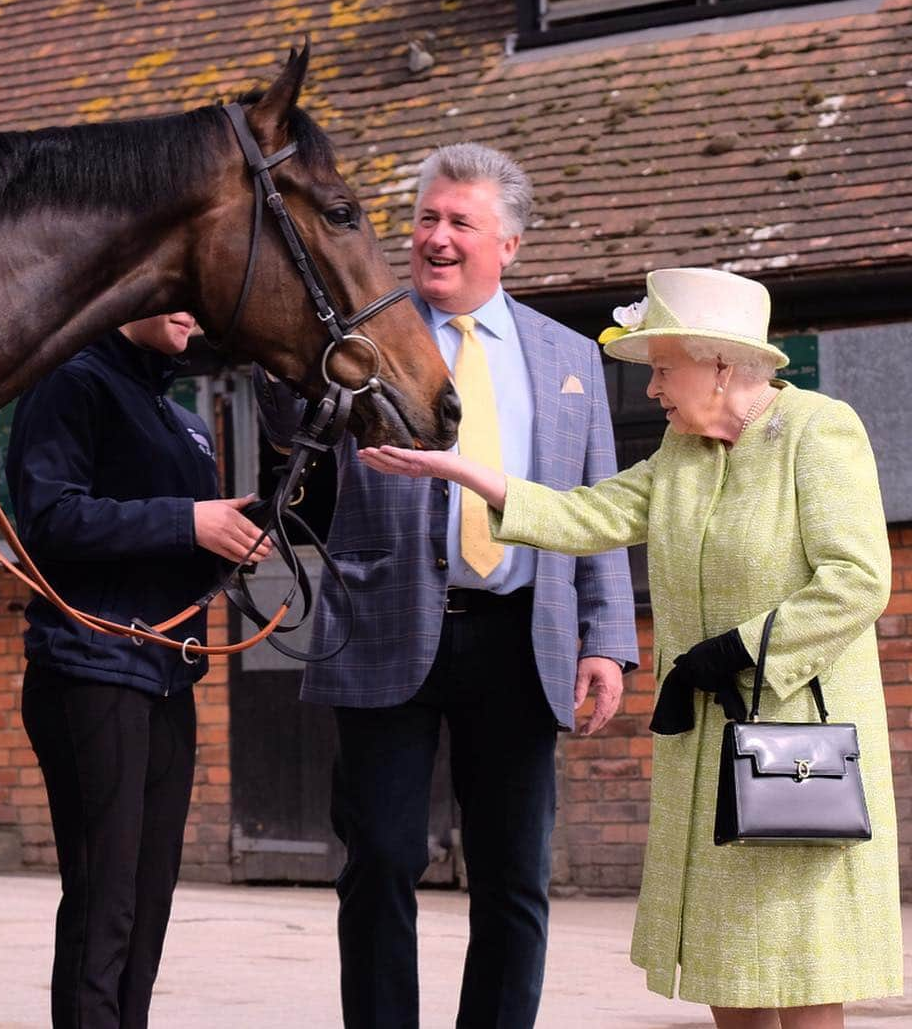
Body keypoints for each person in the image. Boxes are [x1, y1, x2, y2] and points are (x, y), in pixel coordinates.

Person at [359, 266, 904, 1029]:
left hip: (798, 740)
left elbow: (856, 579)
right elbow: (586, 515)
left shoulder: (818, 430)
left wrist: (739, 651)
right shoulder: (681, 457)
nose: (652, 390)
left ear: (720, 362)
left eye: (662, 369)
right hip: (712, 741)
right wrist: (462, 471)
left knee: (801, 955)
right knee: (728, 953)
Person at [255, 143, 638, 1029]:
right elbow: (289, 427)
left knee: (513, 875)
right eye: (427, 217)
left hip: (520, 634)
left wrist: (607, 639)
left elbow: (598, 511)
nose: (436, 237)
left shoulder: (569, 355)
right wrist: (286, 351)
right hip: (387, 627)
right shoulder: (364, 335)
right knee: (381, 859)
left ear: (507, 243)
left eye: (460, 221)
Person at [5, 311, 271, 1029]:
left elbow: (172, 533)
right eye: (177, 292)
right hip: (90, 673)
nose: (194, 308)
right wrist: (189, 521)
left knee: (149, 903)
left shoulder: (179, 416)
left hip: (167, 678)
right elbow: (48, 519)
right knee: (104, 899)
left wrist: (232, 535)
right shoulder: (70, 380)